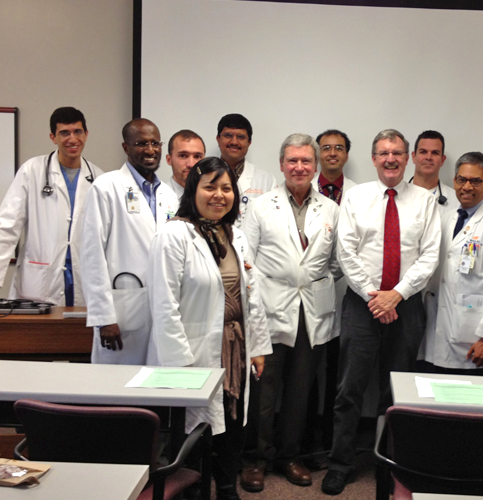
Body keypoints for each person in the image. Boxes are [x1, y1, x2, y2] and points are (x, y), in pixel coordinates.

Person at [322, 129, 440, 495]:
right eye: (384, 153)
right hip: (363, 304)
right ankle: (340, 463)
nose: (391, 159)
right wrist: (376, 297)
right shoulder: (356, 197)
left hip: (406, 305)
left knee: (399, 391)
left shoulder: (425, 200)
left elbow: (430, 256)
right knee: (349, 389)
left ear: (408, 160)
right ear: (374, 159)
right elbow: (347, 251)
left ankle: (391, 464)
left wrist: (397, 295)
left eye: (398, 153)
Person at [147, 156, 271, 500]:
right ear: (193, 190)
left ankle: (228, 489)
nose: (219, 195)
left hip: (235, 348)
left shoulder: (235, 235)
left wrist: (258, 347)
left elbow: (251, 296)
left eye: (227, 187)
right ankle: (193, 491)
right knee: (197, 431)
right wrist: (181, 366)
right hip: (196, 352)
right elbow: (163, 305)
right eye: (210, 187)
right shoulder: (173, 235)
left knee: (232, 423)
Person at [240, 134, 340, 490]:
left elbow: (336, 263)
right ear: (282, 165)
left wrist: (317, 282)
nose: (300, 167)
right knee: (264, 392)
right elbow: (246, 259)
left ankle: (290, 456)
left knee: (300, 391)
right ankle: (256, 459)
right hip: (270, 308)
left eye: (306, 161)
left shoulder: (330, 209)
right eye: (293, 161)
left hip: (312, 313)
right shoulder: (260, 205)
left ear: (315, 167)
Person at [80, 118, 178, 365]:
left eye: (155, 143)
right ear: (126, 147)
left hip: (160, 310)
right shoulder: (107, 187)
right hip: (121, 313)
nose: (150, 150)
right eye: (141, 143)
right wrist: (104, 317)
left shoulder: (168, 195)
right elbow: (92, 254)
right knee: (116, 389)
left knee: (155, 388)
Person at [0, 106, 103, 306]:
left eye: (77, 132)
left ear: (86, 134)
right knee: (38, 335)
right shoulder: (32, 171)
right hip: (40, 279)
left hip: (82, 279)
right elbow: (8, 224)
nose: (72, 139)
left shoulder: (99, 177)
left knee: (78, 335)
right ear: (53, 137)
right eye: (64, 133)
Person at [420, 152, 483, 376]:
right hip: (437, 327)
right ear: (454, 181)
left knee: (469, 403)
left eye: (475, 181)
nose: (467, 187)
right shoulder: (445, 218)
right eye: (461, 180)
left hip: (473, 336)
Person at [311, 128, 357, 454]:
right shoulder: (301, 190)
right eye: (325, 148)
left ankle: (330, 441)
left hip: (346, 294)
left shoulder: (359, 193)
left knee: (337, 376)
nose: (332, 153)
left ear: (346, 155)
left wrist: (333, 276)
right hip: (311, 296)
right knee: (308, 374)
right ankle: (308, 440)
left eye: (338, 148)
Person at [216, 113, 277, 226]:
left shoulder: (266, 180)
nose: (234, 142)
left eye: (241, 137)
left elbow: (271, 224)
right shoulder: (203, 175)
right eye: (228, 135)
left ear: (249, 142)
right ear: (218, 139)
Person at [410, 130, 458, 216]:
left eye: (435, 153)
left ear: (442, 160)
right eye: (423, 152)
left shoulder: (456, 201)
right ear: (414, 157)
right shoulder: (395, 196)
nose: (428, 157)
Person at [164, 129, 205, 199]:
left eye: (197, 156)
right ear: (169, 159)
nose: (191, 164)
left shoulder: (211, 198)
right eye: (183, 156)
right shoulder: (158, 198)